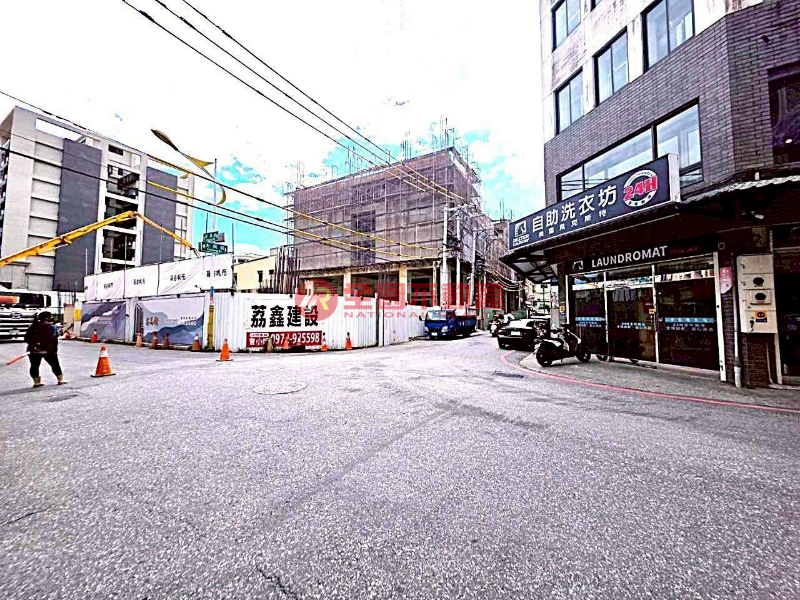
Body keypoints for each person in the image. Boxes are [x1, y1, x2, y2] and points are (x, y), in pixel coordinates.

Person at [23, 311, 66, 388]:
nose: (51, 318)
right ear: (47, 318)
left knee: (34, 366)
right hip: (48, 350)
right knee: (55, 364)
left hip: (34, 350)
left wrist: (35, 345)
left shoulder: (33, 326)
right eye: (50, 316)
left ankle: (36, 383)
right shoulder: (52, 326)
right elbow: (52, 338)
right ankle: (60, 380)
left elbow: (26, 339)